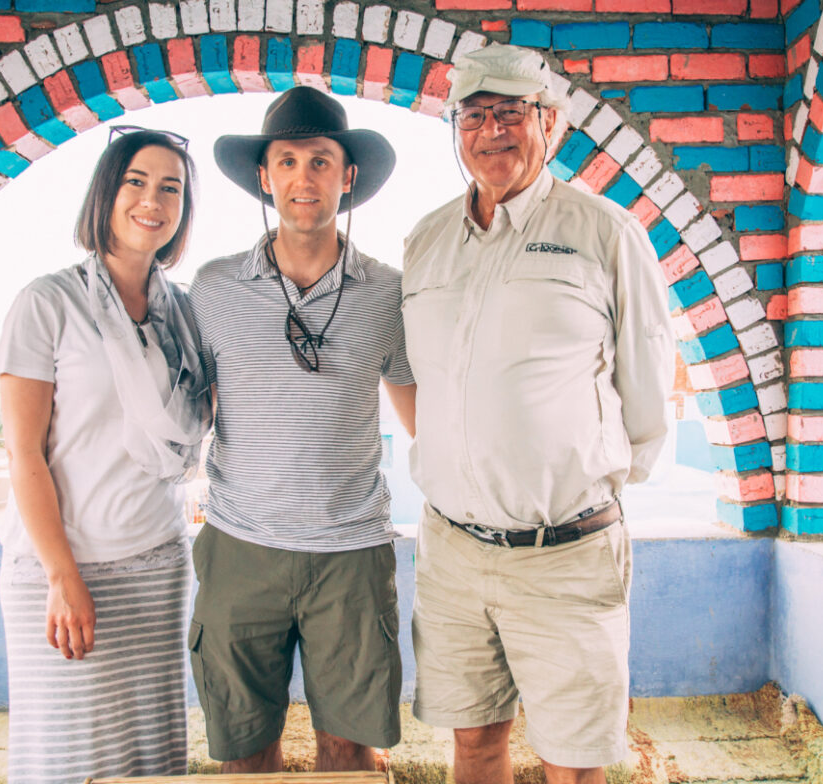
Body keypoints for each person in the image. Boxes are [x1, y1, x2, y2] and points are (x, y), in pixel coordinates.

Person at [402, 44, 673, 784]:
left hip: (565, 555)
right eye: (474, 115)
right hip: (451, 554)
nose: (491, 131)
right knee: (473, 745)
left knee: (574, 764)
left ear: (550, 123)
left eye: (510, 113)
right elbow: (422, 381)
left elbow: (648, 396)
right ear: (456, 129)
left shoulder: (606, 233)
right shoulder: (425, 241)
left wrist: (572, 488)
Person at [188, 86, 416, 773]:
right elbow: (183, 411)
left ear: (348, 178)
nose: (303, 178)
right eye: (286, 161)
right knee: (244, 753)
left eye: (320, 161)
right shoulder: (213, 288)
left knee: (350, 754)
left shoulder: (388, 292)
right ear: (265, 178)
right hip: (239, 550)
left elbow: (421, 418)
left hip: (351, 555)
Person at [0, 126, 211, 784]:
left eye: (170, 187)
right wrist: (63, 577)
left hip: (156, 565)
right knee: (66, 760)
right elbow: (23, 455)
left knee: (148, 759)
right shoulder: (47, 303)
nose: (153, 199)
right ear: (105, 195)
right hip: (62, 574)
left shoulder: (184, 312)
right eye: (136, 182)